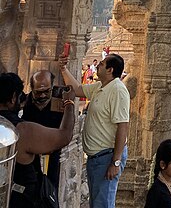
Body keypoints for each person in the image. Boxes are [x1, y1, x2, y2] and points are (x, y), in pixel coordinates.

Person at [59, 52, 130, 208]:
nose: (98, 65)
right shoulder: (100, 86)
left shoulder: (117, 90)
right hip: (96, 157)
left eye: (102, 64)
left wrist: (116, 162)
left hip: (108, 156)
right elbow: (77, 89)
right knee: (97, 202)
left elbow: (123, 127)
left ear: (110, 70)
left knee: (102, 204)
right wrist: (63, 69)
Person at [0, 72, 75, 208]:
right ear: (12, 98)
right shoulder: (22, 130)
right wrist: (69, 103)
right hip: (22, 199)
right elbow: (64, 136)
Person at [21, 70, 64, 190]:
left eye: (47, 91)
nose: (43, 96)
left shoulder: (60, 100)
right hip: (30, 157)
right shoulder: (24, 102)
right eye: (38, 93)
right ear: (32, 89)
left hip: (52, 155)